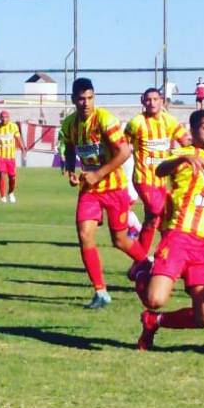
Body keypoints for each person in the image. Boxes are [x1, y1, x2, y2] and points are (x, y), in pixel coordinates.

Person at [136, 109, 204, 350]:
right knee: (155, 299)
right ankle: (142, 271)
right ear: (193, 131)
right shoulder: (185, 153)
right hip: (180, 237)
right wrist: (182, 159)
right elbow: (160, 169)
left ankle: (154, 321)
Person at [59, 77, 148, 309]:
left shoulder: (105, 120)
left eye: (90, 98)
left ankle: (148, 264)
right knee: (84, 235)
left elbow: (124, 152)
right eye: (81, 99)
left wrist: (98, 174)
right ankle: (100, 292)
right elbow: (70, 147)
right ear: (73, 99)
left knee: (120, 240)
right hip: (90, 190)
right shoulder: (69, 124)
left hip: (114, 188)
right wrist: (71, 170)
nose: (86, 103)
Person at [123, 87, 191, 263]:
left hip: (161, 180)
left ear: (162, 101)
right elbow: (121, 145)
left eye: (155, 99)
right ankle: (163, 255)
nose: (152, 103)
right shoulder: (136, 123)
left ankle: (140, 262)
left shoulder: (169, 121)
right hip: (143, 179)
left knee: (152, 220)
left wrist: (187, 156)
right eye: (148, 99)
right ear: (143, 101)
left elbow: (186, 142)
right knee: (158, 211)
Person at [0, 110, 27, 203]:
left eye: (6, 117)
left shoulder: (13, 126)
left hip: (11, 156)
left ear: (9, 118)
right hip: (0, 155)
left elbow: (18, 139)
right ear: (0, 118)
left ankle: (11, 193)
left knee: (12, 177)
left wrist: (23, 149)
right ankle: (2, 197)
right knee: (1, 174)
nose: (4, 119)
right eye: (2, 117)